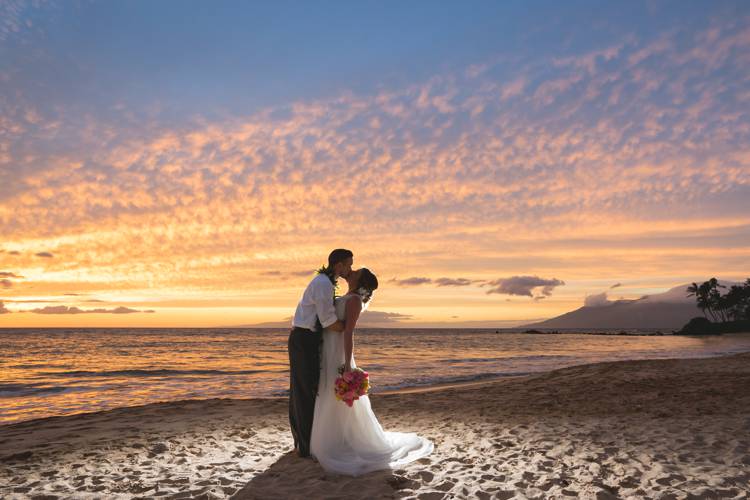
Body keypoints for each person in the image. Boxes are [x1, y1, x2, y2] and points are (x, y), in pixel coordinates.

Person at [310, 267, 433, 476]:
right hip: (328, 350)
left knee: (337, 395)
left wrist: (348, 363)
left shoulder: (355, 301)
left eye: (356, 271)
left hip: (338, 352)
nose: (352, 271)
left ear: (360, 280)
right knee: (326, 392)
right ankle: (331, 438)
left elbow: (348, 333)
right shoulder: (346, 295)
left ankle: (337, 443)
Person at [288, 248, 353, 458]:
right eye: (348, 264)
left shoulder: (324, 282)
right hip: (304, 339)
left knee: (303, 390)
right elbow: (328, 321)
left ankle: (302, 442)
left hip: (307, 338)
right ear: (338, 265)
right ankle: (305, 446)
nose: (349, 269)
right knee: (305, 392)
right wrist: (348, 326)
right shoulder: (323, 284)